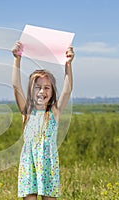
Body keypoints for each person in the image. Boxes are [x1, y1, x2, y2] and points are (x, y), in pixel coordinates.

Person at [12, 41, 75, 200]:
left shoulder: (54, 111)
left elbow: (67, 90)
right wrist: (16, 59)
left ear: (52, 91)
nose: (42, 91)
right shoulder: (27, 111)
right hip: (29, 164)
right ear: (30, 90)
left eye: (47, 87)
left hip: (48, 166)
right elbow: (15, 85)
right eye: (37, 87)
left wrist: (68, 64)